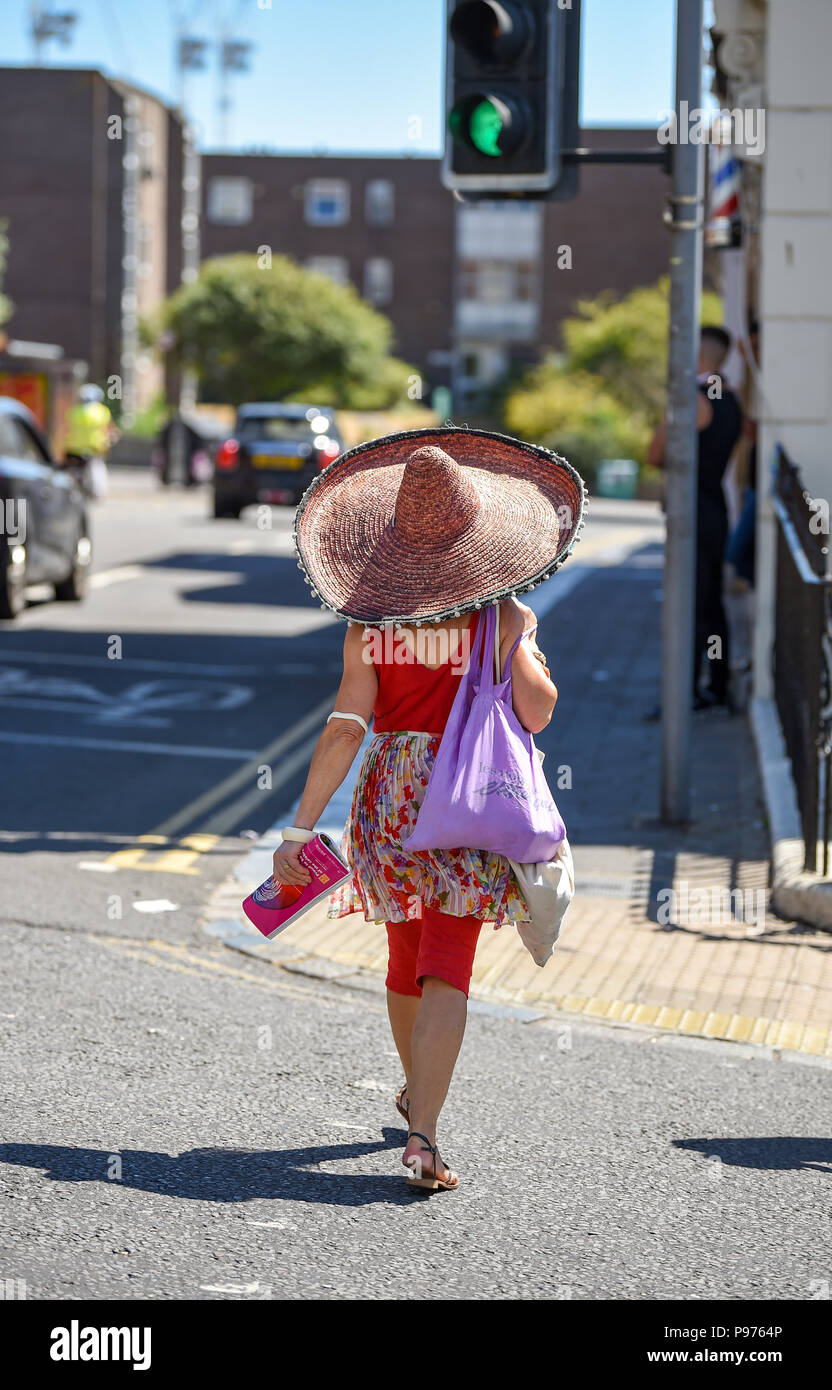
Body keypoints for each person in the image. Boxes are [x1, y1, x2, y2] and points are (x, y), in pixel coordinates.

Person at [271, 429, 585, 1191]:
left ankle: (417, 1089)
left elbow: (347, 725)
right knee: (450, 965)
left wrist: (300, 825)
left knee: (405, 957)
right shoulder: (500, 617)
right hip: (467, 794)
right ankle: (425, 1137)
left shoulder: (372, 622)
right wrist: (520, 642)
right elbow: (538, 715)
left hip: (390, 791)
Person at [647, 325, 743, 710]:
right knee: (711, 601)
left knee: (690, 603)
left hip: (692, 512)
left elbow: (655, 454)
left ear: (696, 355)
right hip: (715, 506)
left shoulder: (694, 399)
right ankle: (716, 685)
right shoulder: (731, 399)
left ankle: (685, 694)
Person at [64, 384, 118, 500]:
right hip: (95, 447)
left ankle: (71, 492)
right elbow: (110, 430)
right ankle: (96, 493)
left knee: (73, 471)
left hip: (74, 447)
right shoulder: (102, 411)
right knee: (97, 469)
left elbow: (66, 429)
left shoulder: (74, 411)